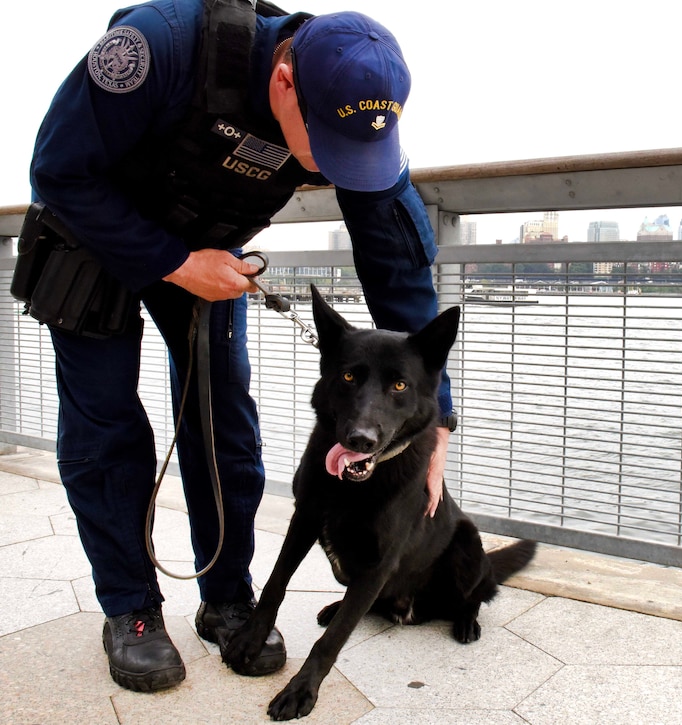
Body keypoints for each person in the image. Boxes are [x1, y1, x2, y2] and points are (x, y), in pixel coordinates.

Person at [24, 0, 455, 693]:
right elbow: (58, 169)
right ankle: (131, 609)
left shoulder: (349, 115)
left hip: (208, 249)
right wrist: (172, 259)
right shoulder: (156, 49)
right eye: (327, 150)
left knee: (225, 423)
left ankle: (227, 597)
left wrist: (434, 423)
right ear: (283, 80)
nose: (337, 168)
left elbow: (399, 269)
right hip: (96, 235)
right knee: (108, 428)